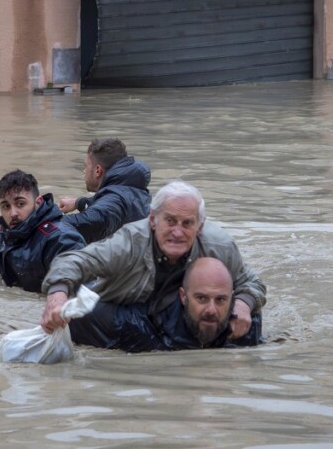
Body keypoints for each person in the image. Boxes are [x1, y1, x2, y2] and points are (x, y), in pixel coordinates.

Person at [40, 180, 265, 341]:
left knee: (251, 320)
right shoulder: (128, 243)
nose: (177, 232)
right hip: (126, 308)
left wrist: (243, 305)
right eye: (170, 221)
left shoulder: (220, 247)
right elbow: (73, 261)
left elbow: (251, 283)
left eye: (187, 223)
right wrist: (57, 296)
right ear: (153, 220)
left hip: (177, 311)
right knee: (80, 316)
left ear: (200, 227)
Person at [69, 257, 262, 352]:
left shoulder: (244, 327)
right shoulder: (138, 325)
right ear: (183, 296)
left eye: (221, 300)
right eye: (201, 299)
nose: (212, 310)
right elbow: (78, 311)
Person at [0, 170, 85, 294]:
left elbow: (76, 270)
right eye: (6, 206)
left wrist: (59, 294)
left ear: (38, 202)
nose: (12, 213)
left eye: (20, 204)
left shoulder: (59, 238)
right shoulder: (15, 233)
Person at [57, 137, 151, 244]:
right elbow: (104, 203)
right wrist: (78, 203)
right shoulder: (131, 188)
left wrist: (43, 222)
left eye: (86, 166)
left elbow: (93, 220)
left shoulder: (115, 200)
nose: (84, 171)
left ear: (98, 171)